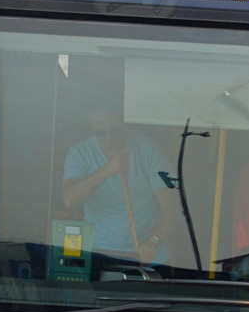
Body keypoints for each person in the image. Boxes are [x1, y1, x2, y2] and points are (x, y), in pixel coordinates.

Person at [62, 110, 178, 263]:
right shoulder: (80, 152)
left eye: (115, 130)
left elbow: (171, 208)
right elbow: (70, 200)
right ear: (91, 129)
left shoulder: (148, 149)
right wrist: (106, 171)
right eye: (100, 133)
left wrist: (152, 242)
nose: (109, 138)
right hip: (100, 253)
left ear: (125, 125)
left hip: (148, 255)